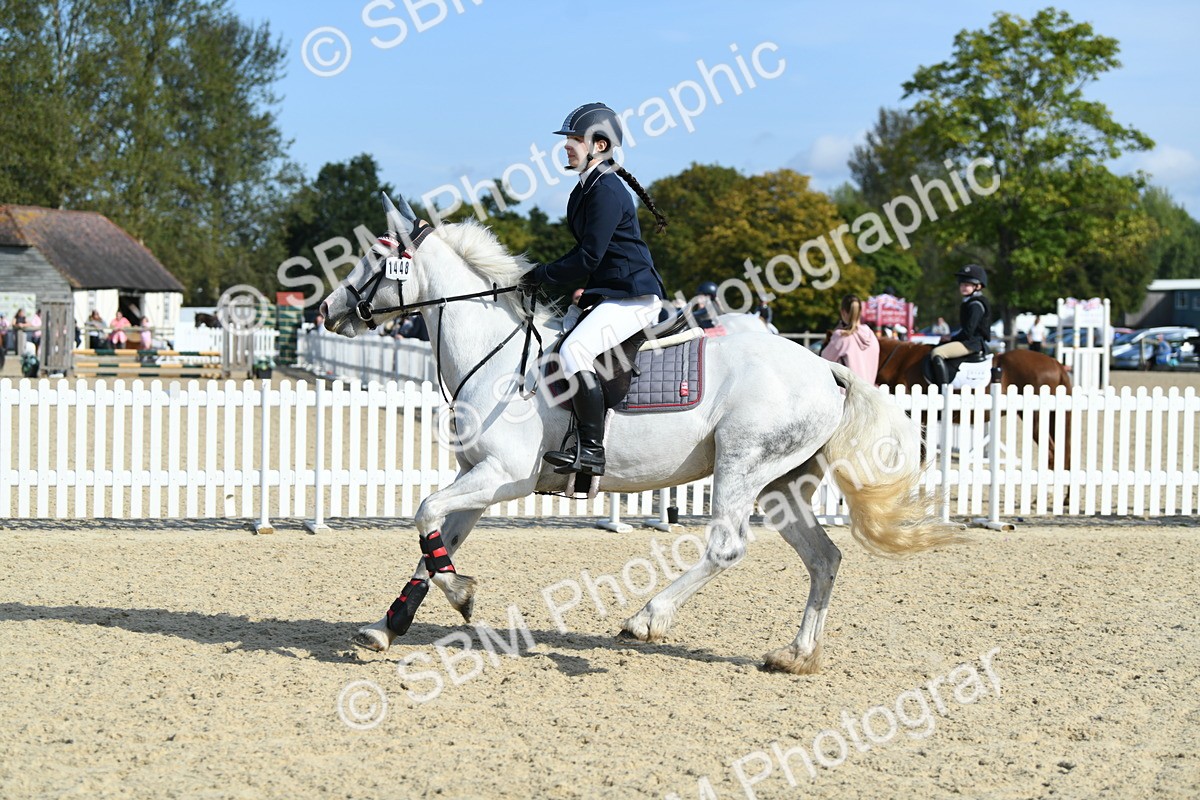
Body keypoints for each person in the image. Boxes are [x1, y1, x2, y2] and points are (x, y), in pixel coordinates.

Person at [527, 102, 668, 478]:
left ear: (600, 146)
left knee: (574, 352)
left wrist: (542, 273)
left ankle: (591, 450)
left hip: (634, 297)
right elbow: (584, 255)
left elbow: (588, 258)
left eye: (575, 139)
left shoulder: (606, 190)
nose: (567, 146)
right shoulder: (584, 190)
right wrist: (539, 274)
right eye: (568, 139)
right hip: (609, 294)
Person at [929, 264, 992, 385]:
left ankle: (943, 388)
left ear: (978, 286)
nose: (963, 287)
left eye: (967, 284)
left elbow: (968, 331)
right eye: (962, 284)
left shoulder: (976, 305)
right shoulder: (970, 302)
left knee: (937, 353)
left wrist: (951, 338)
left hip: (972, 343)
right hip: (970, 341)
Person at [821, 294, 880, 384]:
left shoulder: (842, 336)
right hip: (868, 393)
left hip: (845, 394)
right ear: (860, 311)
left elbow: (823, 361)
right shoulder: (872, 336)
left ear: (843, 312)